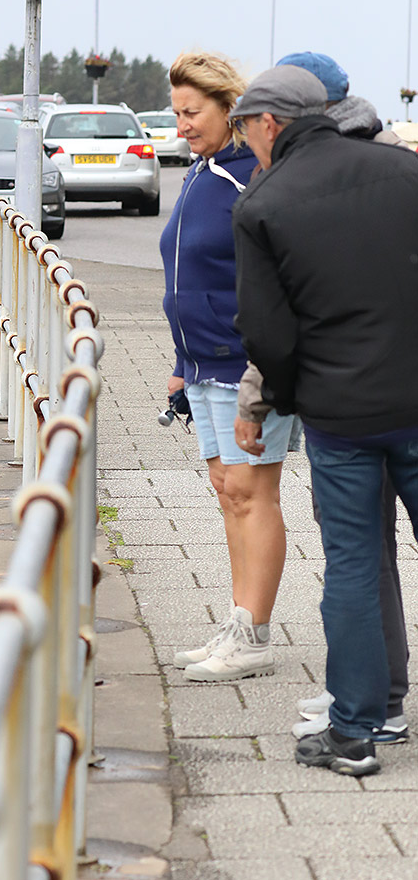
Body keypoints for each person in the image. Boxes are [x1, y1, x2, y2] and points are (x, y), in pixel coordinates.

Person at [231, 64, 418, 776]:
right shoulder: (401, 170)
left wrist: (278, 398)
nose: (248, 145)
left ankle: (355, 732)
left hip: (343, 419)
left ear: (271, 123)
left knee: (354, 568)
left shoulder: (264, 203)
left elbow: (267, 332)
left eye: (247, 129)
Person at [159, 51, 299, 682]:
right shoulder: (200, 171)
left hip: (244, 364)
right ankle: (239, 621)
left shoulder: (253, 176)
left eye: (193, 112)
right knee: (226, 492)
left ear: (230, 109)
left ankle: (256, 634)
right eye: (177, 112)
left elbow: (278, 275)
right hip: (201, 360)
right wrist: (179, 363)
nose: (182, 124)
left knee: (252, 492)